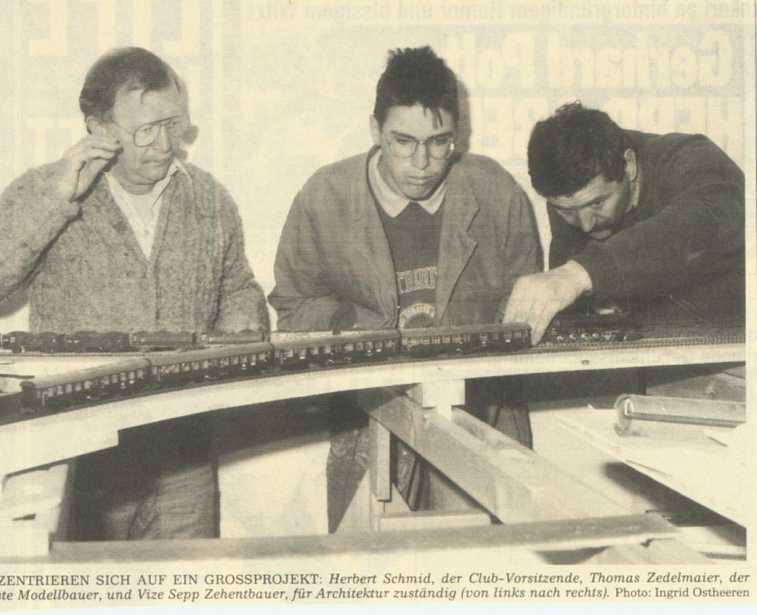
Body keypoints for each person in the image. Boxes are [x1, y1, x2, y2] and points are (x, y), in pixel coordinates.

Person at [0, 47, 268, 539]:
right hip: (82, 455)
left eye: (173, 124)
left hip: (184, 453)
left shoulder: (210, 199)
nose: (165, 144)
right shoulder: (43, 191)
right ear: (98, 129)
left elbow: (236, 285)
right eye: (145, 130)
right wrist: (58, 198)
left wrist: (242, 319)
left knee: (189, 581)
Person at [269, 46, 541, 530]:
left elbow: (526, 312)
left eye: (439, 143)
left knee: (487, 562)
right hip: (367, 419)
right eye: (403, 142)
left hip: (482, 417)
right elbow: (292, 308)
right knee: (372, 565)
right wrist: (360, 325)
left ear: (458, 135)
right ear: (375, 130)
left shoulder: (496, 193)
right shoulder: (325, 197)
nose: (422, 163)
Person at [503, 102, 745, 343]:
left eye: (598, 203)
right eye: (566, 211)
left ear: (629, 165)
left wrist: (580, 273)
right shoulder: (571, 196)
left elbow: (702, 222)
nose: (585, 225)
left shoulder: (691, 158)